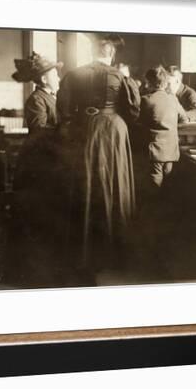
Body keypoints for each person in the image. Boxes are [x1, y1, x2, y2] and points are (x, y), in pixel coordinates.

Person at [57, 33, 140, 276]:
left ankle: (84, 252)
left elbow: (62, 109)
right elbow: (133, 110)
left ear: (92, 51)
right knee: (114, 185)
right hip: (113, 131)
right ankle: (114, 253)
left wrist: (78, 122)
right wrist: (114, 117)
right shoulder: (119, 76)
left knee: (88, 185)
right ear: (111, 53)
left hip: (85, 131)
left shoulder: (75, 74)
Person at [10, 52, 64, 286]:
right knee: (38, 218)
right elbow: (40, 132)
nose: (58, 77)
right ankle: (33, 274)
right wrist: (65, 131)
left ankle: (47, 271)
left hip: (49, 164)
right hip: (38, 166)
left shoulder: (52, 97)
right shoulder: (37, 100)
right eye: (54, 73)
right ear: (43, 79)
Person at [140, 65, 188, 190]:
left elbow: (140, 122)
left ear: (151, 83)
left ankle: (155, 205)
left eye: (147, 83)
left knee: (155, 182)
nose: (145, 86)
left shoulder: (146, 100)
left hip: (155, 148)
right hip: (171, 148)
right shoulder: (173, 98)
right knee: (168, 180)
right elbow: (184, 119)